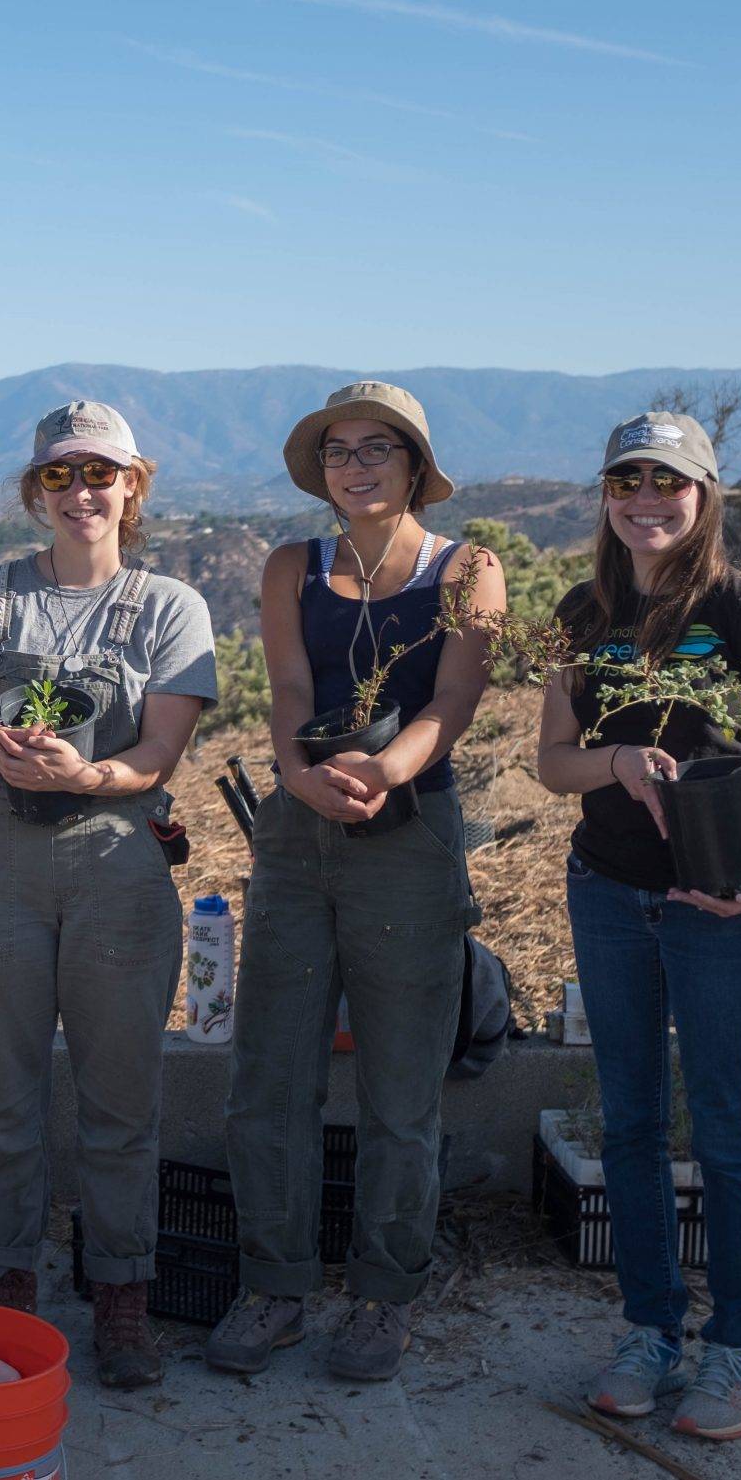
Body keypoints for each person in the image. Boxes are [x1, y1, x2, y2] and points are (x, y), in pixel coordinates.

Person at [208, 379, 503, 1385]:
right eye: (340, 450)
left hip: (410, 834)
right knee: (270, 1074)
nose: (358, 464)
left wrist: (385, 771)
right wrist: (298, 774)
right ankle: (274, 1285)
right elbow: (290, 688)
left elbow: (453, 700)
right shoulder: (294, 565)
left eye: (379, 447)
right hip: (298, 835)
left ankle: (384, 1297)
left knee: (400, 1084)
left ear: (415, 466)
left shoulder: (468, 570)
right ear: (321, 470)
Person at [0, 401, 215, 1389]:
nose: (81, 493)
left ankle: (121, 1293)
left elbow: (159, 751)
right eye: (60, 476)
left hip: (116, 859)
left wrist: (81, 778)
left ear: (132, 485)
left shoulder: (170, 607)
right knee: (0, 1095)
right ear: (35, 490)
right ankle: (8, 1283)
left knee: (120, 1096)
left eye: (100, 474)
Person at [537, 411, 741, 1442]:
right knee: (633, 1125)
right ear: (606, 493)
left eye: (668, 482)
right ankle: (649, 1329)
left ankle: (737, 1351)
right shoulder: (581, 608)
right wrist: (612, 762)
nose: (645, 500)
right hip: (606, 891)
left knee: (726, 1128)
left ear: (703, 494)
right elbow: (549, 760)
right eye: (626, 481)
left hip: (716, 901)